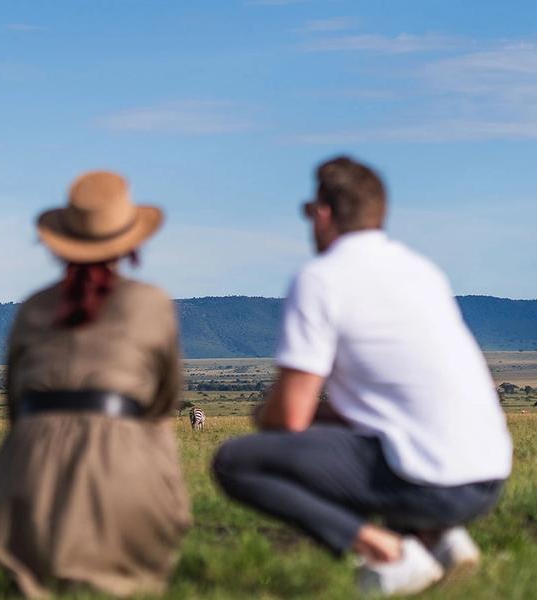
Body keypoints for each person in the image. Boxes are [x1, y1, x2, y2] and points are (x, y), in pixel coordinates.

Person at [211, 156, 512, 596]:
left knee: (237, 461)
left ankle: (388, 551)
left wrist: (266, 413)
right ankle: (440, 538)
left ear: (323, 212)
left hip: (429, 480)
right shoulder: (422, 271)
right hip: (488, 475)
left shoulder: (321, 279)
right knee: (361, 438)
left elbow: (290, 415)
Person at [0, 171, 190, 598]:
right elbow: (164, 401)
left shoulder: (33, 307)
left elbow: (16, 404)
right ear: (130, 242)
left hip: (27, 475)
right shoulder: (151, 302)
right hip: (123, 471)